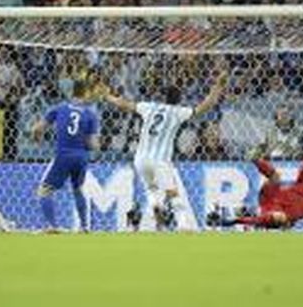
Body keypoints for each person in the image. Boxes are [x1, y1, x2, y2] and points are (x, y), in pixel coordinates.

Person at [102, 70, 229, 229]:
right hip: (160, 160)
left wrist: (108, 97)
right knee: (172, 192)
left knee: (152, 189)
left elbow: (125, 104)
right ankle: (183, 224)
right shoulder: (178, 112)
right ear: (179, 100)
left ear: (163, 97)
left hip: (140, 159)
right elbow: (205, 107)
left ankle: (156, 208)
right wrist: (218, 86)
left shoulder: (148, 107)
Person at [31, 79, 99, 232]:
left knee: (44, 190)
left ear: (72, 92)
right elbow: (94, 145)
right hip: (81, 157)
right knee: (78, 189)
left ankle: (52, 226)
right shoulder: (90, 114)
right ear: (85, 93)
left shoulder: (59, 108)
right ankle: (84, 227)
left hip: (63, 154)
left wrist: (37, 139)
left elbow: (37, 129)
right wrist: (83, 141)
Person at [223, 149, 303, 232]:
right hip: (272, 195)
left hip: (277, 212)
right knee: (276, 177)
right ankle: (254, 158)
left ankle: (239, 220)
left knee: (280, 217)